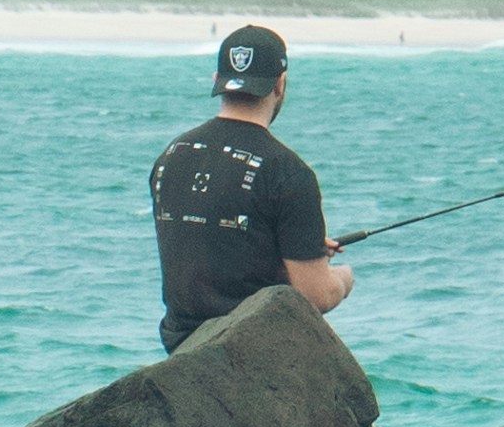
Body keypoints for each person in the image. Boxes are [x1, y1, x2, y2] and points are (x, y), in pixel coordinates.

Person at [148, 24, 354, 351]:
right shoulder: (287, 171)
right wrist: (343, 278)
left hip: (182, 345)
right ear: (280, 84)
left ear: (217, 80)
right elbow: (316, 295)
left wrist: (295, 250)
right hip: (250, 351)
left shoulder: (170, 156)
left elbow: (210, 246)